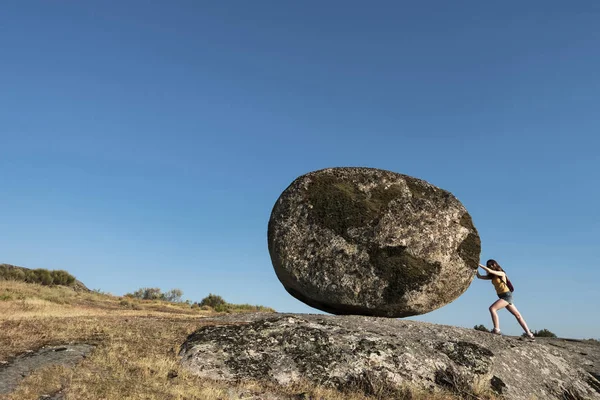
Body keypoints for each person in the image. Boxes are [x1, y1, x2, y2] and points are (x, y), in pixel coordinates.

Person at [476, 259, 535, 339]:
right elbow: (479, 277)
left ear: (495, 265)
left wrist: (478, 264)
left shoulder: (502, 273)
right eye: (489, 266)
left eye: (491, 265)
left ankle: (496, 330)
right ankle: (529, 334)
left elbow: (490, 271)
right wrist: (475, 268)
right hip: (502, 296)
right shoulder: (492, 277)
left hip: (506, 296)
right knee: (518, 315)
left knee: (492, 308)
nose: (490, 267)